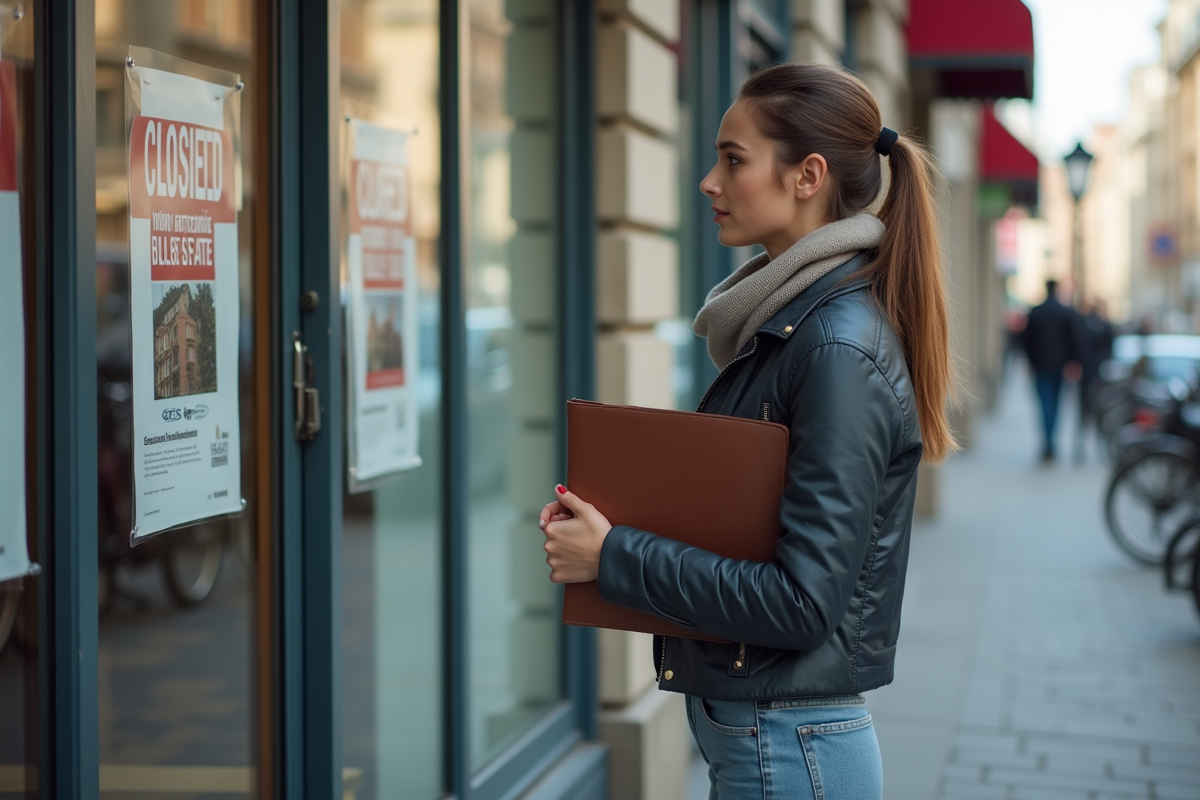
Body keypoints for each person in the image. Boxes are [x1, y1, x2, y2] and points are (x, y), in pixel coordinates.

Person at [538, 63, 955, 800]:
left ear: (808, 176)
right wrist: (612, 529)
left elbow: (802, 603)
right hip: (773, 744)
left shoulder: (833, 348)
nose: (709, 180)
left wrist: (616, 556)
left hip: (786, 751)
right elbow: (753, 528)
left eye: (733, 159)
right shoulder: (796, 325)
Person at [1021, 279, 1082, 462]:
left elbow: (1026, 340)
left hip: (1041, 365)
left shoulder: (1036, 312)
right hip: (1059, 366)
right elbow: (1074, 339)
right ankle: (1050, 442)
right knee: (1055, 405)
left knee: (1044, 404)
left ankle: (1047, 443)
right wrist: (1073, 362)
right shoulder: (1064, 312)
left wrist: (1030, 361)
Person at [1074, 298, 1115, 461]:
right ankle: (1090, 449)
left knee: (1086, 412)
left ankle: (1083, 448)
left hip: (1090, 374)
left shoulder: (1085, 325)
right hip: (1095, 374)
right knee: (1094, 412)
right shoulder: (1104, 326)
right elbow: (1110, 350)